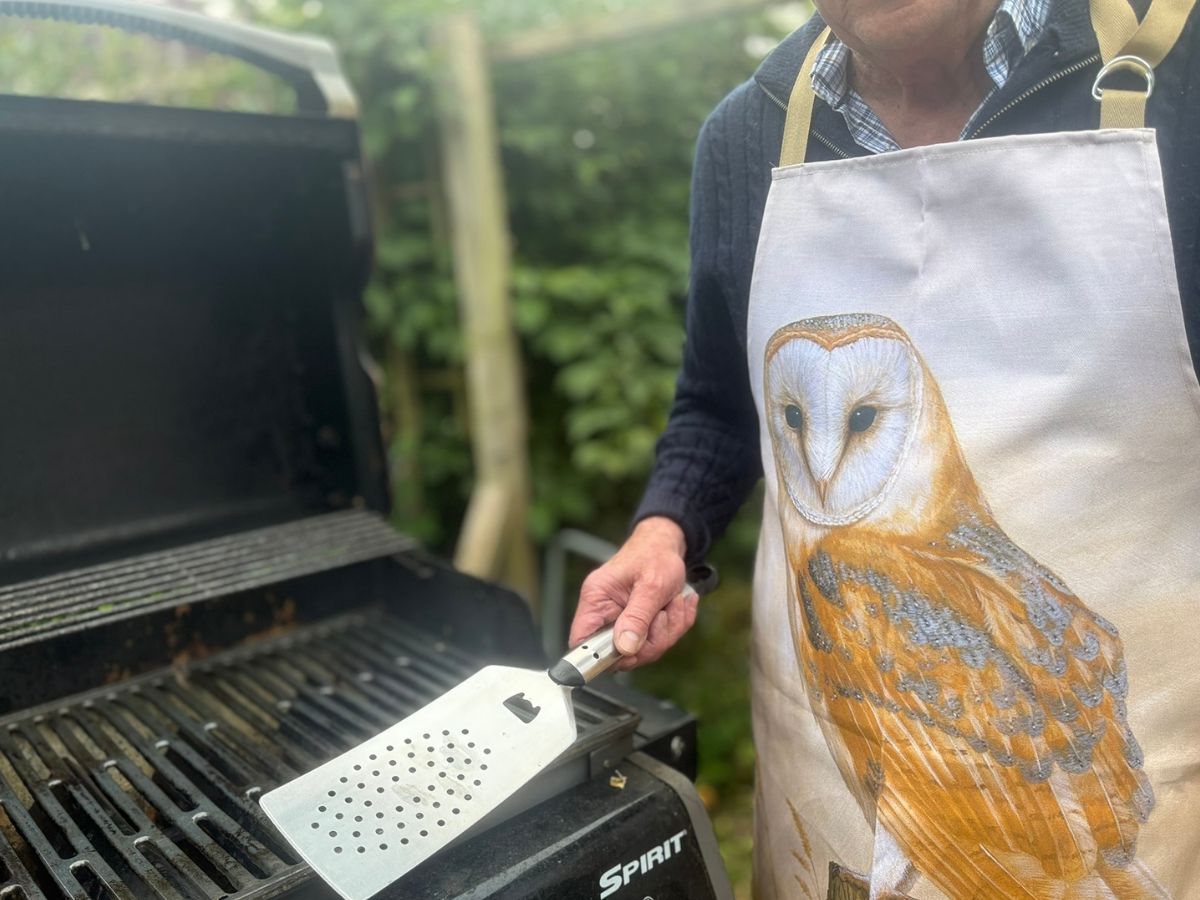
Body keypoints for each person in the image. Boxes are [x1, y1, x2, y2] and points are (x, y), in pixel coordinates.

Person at [569, 0, 1200, 895]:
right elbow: (718, 400)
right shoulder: (750, 138)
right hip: (840, 806)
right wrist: (667, 529)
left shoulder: (1180, 84)